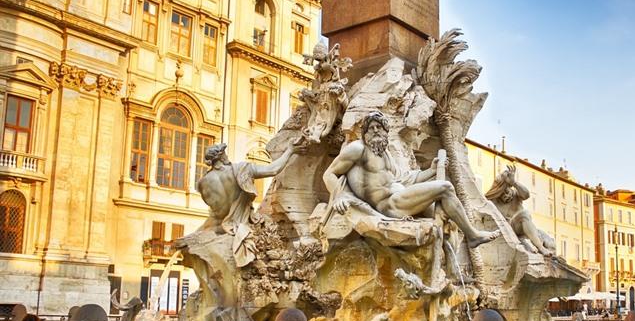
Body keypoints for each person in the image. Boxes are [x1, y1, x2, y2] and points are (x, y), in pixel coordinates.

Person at [323, 111, 500, 248]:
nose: (376, 131)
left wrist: (431, 170)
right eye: (371, 128)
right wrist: (339, 196)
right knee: (445, 188)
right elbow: (329, 174)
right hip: (389, 206)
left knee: (448, 222)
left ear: (386, 131)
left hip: (401, 198)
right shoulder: (357, 149)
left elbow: (404, 180)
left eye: (379, 127)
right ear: (365, 133)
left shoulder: (385, 153)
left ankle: (450, 270)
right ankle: (473, 236)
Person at [195, 141, 296, 266]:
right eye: (224, 154)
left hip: (217, 227)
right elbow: (273, 169)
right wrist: (290, 150)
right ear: (221, 156)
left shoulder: (202, 182)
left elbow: (213, 208)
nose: (227, 156)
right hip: (240, 225)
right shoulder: (242, 170)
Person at [485, 165, 553, 256]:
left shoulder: (516, 194)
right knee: (524, 214)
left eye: (508, 190)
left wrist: (514, 183)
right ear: (499, 190)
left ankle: (540, 246)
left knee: (549, 241)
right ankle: (541, 248)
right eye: (504, 191)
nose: (506, 194)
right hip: (508, 230)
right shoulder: (492, 201)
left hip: (522, 227)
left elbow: (526, 195)